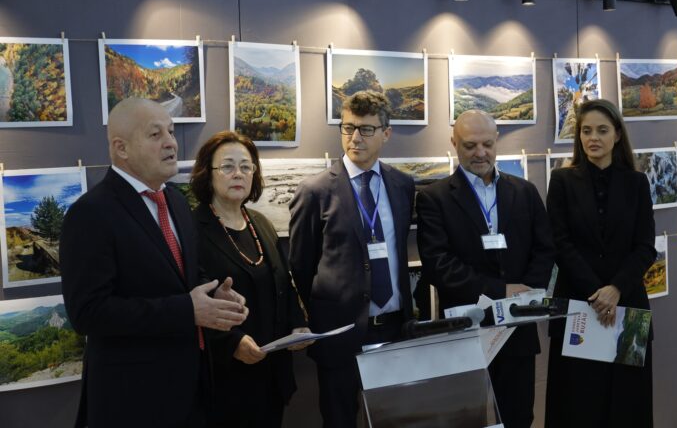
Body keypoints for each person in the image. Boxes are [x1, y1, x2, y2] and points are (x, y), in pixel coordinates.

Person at [61, 98, 248, 428]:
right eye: (155, 134)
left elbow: (185, 277)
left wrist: (215, 296)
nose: (171, 142)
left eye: (171, 132)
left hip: (192, 393)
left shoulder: (175, 200)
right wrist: (187, 310)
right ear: (121, 148)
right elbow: (88, 313)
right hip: (133, 402)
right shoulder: (90, 213)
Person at [416, 109, 554, 428]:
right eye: (470, 145)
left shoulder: (525, 192)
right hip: (466, 327)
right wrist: (500, 291)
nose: (480, 153)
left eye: (487, 144)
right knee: (467, 419)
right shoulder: (434, 198)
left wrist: (526, 295)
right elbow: (438, 265)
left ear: (496, 141)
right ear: (454, 143)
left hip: (517, 327)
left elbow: (545, 249)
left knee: (519, 417)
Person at [289, 90, 415, 428]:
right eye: (348, 128)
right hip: (340, 331)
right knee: (340, 420)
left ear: (386, 133)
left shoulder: (402, 185)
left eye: (366, 129)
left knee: (395, 419)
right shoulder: (315, 191)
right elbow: (300, 266)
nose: (355, 137)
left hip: (394, 328)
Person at [544, 99, 656, 428]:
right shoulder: (561, 181)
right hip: (578, 307)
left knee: (627, 407)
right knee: (577, 407)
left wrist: (616, 289)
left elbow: (645, 247)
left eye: (602, 130)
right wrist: (598, 293)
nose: (593, 138)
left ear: (617, 135)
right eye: (586, 131)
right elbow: (559, 244)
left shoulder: (637, 183)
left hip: (627, 307)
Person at [189, 130, 310, 428]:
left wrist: (297, 325)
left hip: (271, 373)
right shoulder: (192, 230)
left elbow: (283, 283)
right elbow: (192, 303)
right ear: (208, 174)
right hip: (225, 378)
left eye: (246, 166)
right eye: (227, 166)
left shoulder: (261, 223)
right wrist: (232, 343)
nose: (238, 174)